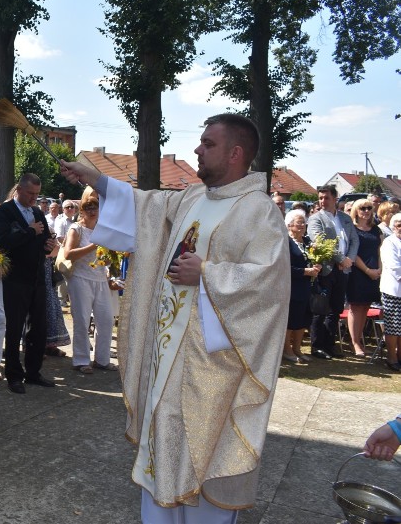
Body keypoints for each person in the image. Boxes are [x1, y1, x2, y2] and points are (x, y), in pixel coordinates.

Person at [60, 113, 290, 522]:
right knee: (162, 447)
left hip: (213, 368)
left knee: (203, 458)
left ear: (236, 153)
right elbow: (145, 205)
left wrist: (207, 274)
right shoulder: (192, 197)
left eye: (208, 144)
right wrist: (93, 177)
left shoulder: (259, 212)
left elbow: (268, 285)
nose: (197, 150)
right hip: (166, 357)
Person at [0, 173, 58, 395]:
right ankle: (13, 374)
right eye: (30, 193)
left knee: (38, 328)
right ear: (19, 190)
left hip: (37, 276)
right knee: (15, 326)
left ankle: (33, 372)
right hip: (15, 278)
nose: (34, 198)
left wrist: (48, 245)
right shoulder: (5, 211)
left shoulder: (38, 212)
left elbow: (42, 241)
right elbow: (1, 243)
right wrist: (30, 231)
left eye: (37, 194)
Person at [63, 190, 115, 374]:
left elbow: (107, 259)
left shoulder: (103, 228)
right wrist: (94, 245)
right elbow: (69, 254)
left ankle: (102, 360)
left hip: (100, 278)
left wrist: (109, 257)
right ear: (82, 210)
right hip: (80, 278)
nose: (93, 211)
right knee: (82, 320)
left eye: (96, 207)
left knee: (107, 320)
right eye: (88, 207)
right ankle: (81, 359)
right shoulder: (76, 229)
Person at [307, 185, 358, 359]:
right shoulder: (316, 219)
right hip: (326, 269)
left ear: (335, 198)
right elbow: (320, 242)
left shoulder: (344, 218)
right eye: (320, 198)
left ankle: (330, 345)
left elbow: (354, 240)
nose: (322, 201)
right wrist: (341, 259)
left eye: (326, 197)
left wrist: (348, 259)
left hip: (343, 270)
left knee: (335, 309)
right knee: (320, 309)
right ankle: (317, 346)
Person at [283, 209, 322, 364]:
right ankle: (287, 350)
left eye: (303, 222)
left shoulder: (307, 242)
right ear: (289, 224)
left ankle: (297, 349)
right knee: (291, 320)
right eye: (299, 222)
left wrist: (317, 266)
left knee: (303, 319)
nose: (302, 225)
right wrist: (305, 271)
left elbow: (312, 260)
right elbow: (284, 267)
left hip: (307, 288)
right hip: (292, 287)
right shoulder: (285, 242)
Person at [346, 198, 383, 357]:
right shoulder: (352, 229)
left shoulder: (376, 229)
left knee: (366, 306)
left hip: (374, 272)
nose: (366, 211)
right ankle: (355, 342)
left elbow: (380, 250)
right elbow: (354, 253)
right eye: (363, 208)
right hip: (358, 272)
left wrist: (379, 268)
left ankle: (360, 340)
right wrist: (368, 270)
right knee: (356, 307)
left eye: (369, 208)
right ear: (356, 210)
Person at [380, 213, 401, 371]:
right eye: (398, 225)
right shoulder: (389, 242)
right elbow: (394, 267)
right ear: (393, 227)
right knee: (393, 326)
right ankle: (391, 357)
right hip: (393, 290)